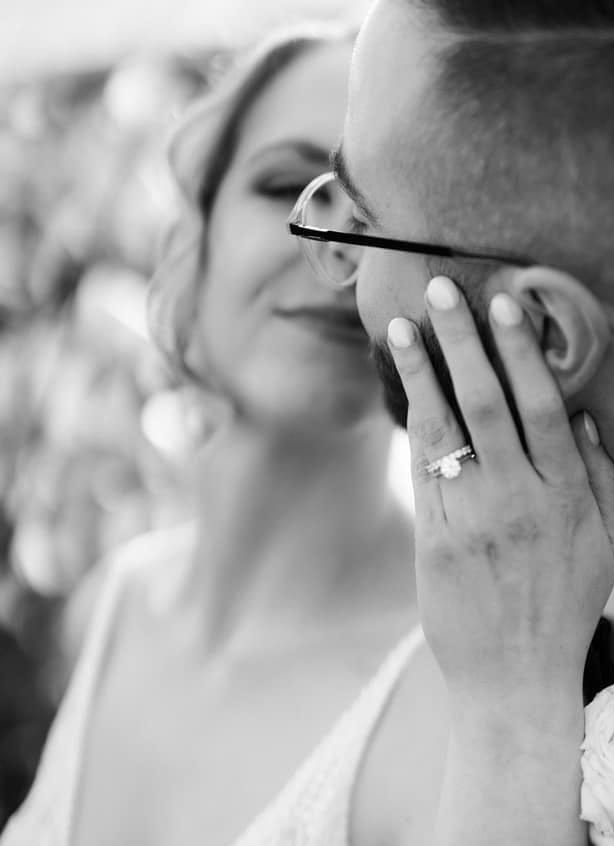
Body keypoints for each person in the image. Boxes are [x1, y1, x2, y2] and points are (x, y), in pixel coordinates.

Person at [287, 1, 614, 844]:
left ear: (542, 331)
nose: (334, 266)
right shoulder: (464, 579)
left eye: (359, 220)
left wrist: (510, 719)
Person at [2, 26, 418, 846]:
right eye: (289, 183)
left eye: (392, 212)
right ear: (195, 230)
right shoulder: (120, 601)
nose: (336, 246)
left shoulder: (444, 673)